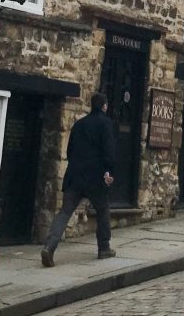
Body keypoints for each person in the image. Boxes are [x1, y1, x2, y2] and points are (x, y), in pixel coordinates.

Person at [42, 93, 116, 266]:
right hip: (95, 177)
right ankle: (104, 248)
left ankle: (49, 247)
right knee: (103, 210)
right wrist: (108, 171)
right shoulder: (105, 123)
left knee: (65, 212)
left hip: (74, 176)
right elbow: (109, 151)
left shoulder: (79, 124)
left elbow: (69, 151)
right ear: (104, 106)